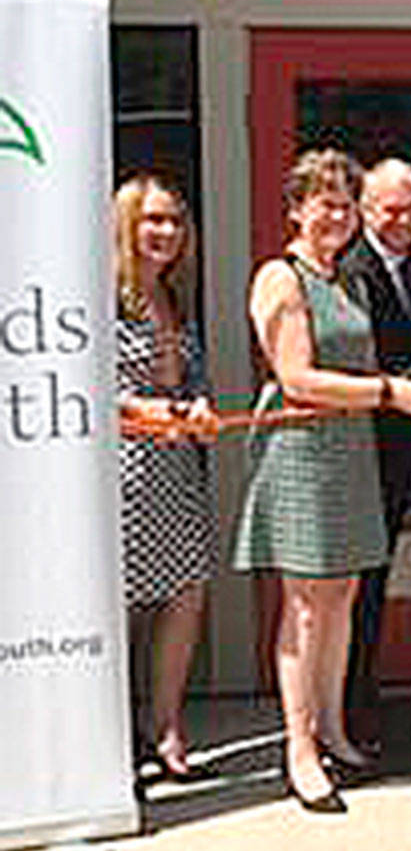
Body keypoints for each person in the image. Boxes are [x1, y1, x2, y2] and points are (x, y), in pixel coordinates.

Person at [232, 149, 411, 813]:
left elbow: (377, 369)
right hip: (301, 450)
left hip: (350, 448)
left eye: (344, 202)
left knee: (341, 593)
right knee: (305, 604)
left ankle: (333, 726)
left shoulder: (349, 280)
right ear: (296, 208)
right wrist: (395, 393)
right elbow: (298, 378)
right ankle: (299, 747)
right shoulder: (279, 278)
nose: (336, 215)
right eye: (325, 203)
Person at [114, 174, 219, 790]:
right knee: (122, 607)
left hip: (177, 470)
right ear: (126, 227)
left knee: (186, 593)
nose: (166, 232)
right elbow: (99, 393)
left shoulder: (175, 296)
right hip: (125, 475)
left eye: (175, 221)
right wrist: (174, 414)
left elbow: (192, 377)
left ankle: (166, 724)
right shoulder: (100, 299)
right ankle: (115, 734)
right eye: (153, 220)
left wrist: (198, 406)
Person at [337, 157, 411, 752]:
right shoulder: (352, 270)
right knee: (361, 584)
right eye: (389, 209)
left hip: (410, 447)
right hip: (362, 448)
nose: (401, 220)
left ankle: (364, 695)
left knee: (380, 575)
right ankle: (351, 703)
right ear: (366, 211)